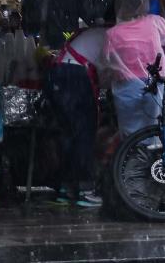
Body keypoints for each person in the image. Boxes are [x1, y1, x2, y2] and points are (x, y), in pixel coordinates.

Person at [45, 26, 108, 207]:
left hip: (58, 74)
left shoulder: (93, 32)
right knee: (83, 135)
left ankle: (66, 187)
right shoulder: (111, 35)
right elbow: (109, 73)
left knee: (68, 135)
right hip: (74, 77)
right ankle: (85, 190)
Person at [102, 0, 165, 138]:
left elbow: (106, 63)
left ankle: (134, 160)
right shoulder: (154, 22)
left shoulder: (112, 33)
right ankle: (152, 159)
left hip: (126, 89)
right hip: (154, 84)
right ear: (142, 5)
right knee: (153, 131)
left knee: (130, 136)